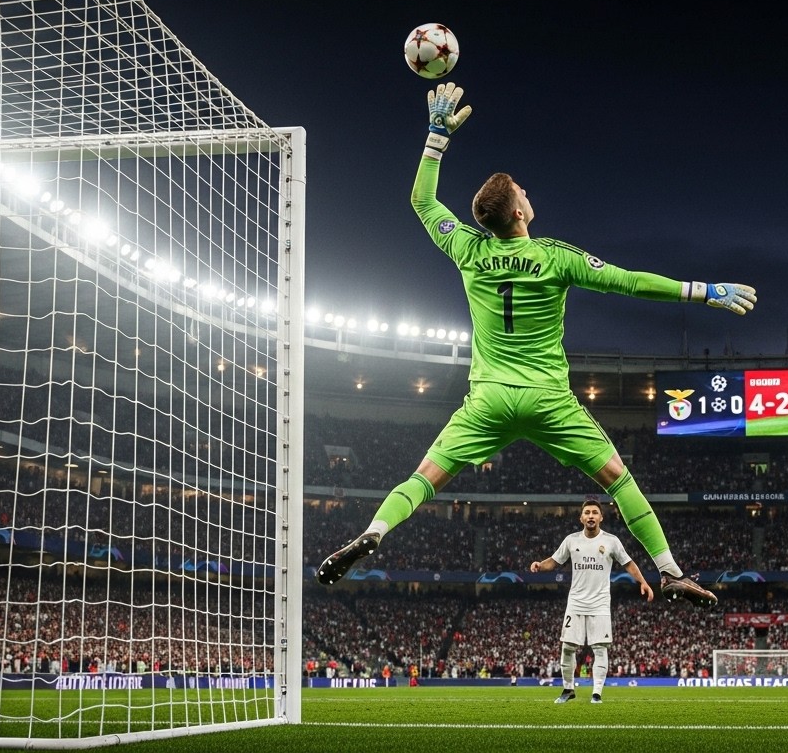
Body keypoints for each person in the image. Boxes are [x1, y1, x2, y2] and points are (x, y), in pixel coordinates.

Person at [317, 83, 757, 608]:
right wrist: (702, 291)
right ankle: (669, 572)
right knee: (618, 480)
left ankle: (375, 530)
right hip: (548, 399)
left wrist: (436, 138)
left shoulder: (468, 248)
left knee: (424, 478)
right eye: (521, 191)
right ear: (518, 214)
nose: (526, 192)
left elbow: (422, 201)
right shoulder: (554, 257)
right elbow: (630, 282)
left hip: (488, 400)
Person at [530, 498, 653, 704]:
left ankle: (596, 694)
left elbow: (629, 563)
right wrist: (539, 565)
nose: (590, 516)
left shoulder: (612, 541)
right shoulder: (571, 540)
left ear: (601, 517)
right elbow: (554, 561)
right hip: (576, 602)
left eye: (595, 512)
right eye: (587, 512)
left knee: (600, 648)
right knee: (567, 647)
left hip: (600, 604)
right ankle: (568, 689)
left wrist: (643, 582)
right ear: (581, 518)